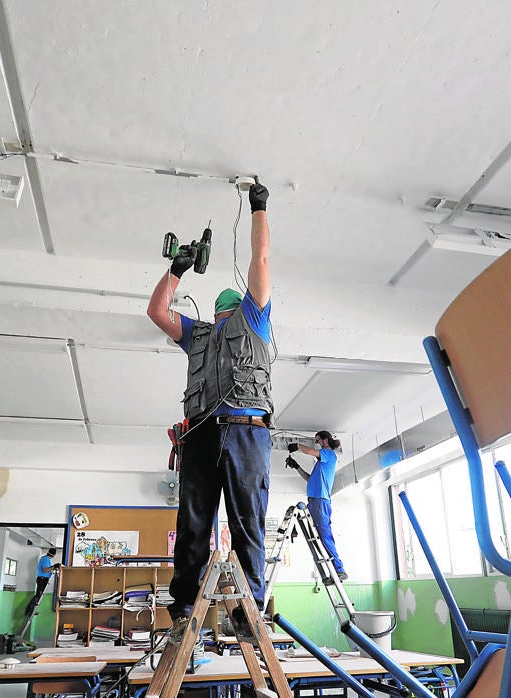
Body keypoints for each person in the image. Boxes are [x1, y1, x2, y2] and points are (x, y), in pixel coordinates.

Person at [147, 180, 274, 637]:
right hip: (201, 432)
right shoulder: (197, 334)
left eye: (226, 310)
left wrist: (258, 208)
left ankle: (246, 611)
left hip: (245, 431)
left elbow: (259, 262)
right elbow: (158, 311)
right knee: (195, 522)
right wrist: (176, 269)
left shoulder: (254, 320)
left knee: (244, 522)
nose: (223, 314)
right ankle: (185, 611)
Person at [287, 431, 347, 581]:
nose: (318, 444)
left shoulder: (329, 454)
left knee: (325, 537)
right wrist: (296, 466)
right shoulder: (320, 466)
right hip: (314, 501)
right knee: (319, 538)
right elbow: (309, 479)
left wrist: (297, 446)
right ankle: (333, 572)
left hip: (321, 501)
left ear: (325, 440)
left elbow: (310, 451)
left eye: (318, 440)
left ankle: (340, 569)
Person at [24, 547, 59, 617]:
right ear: (53, 555)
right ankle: (30, 611)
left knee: (38, 595)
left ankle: (30, 610)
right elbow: (45, 570)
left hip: (43, 579)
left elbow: (47, 569)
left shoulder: (45, 558)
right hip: (42, 580)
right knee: (38, 595)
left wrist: (53, 568)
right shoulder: (46, 559)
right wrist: (53, 566)